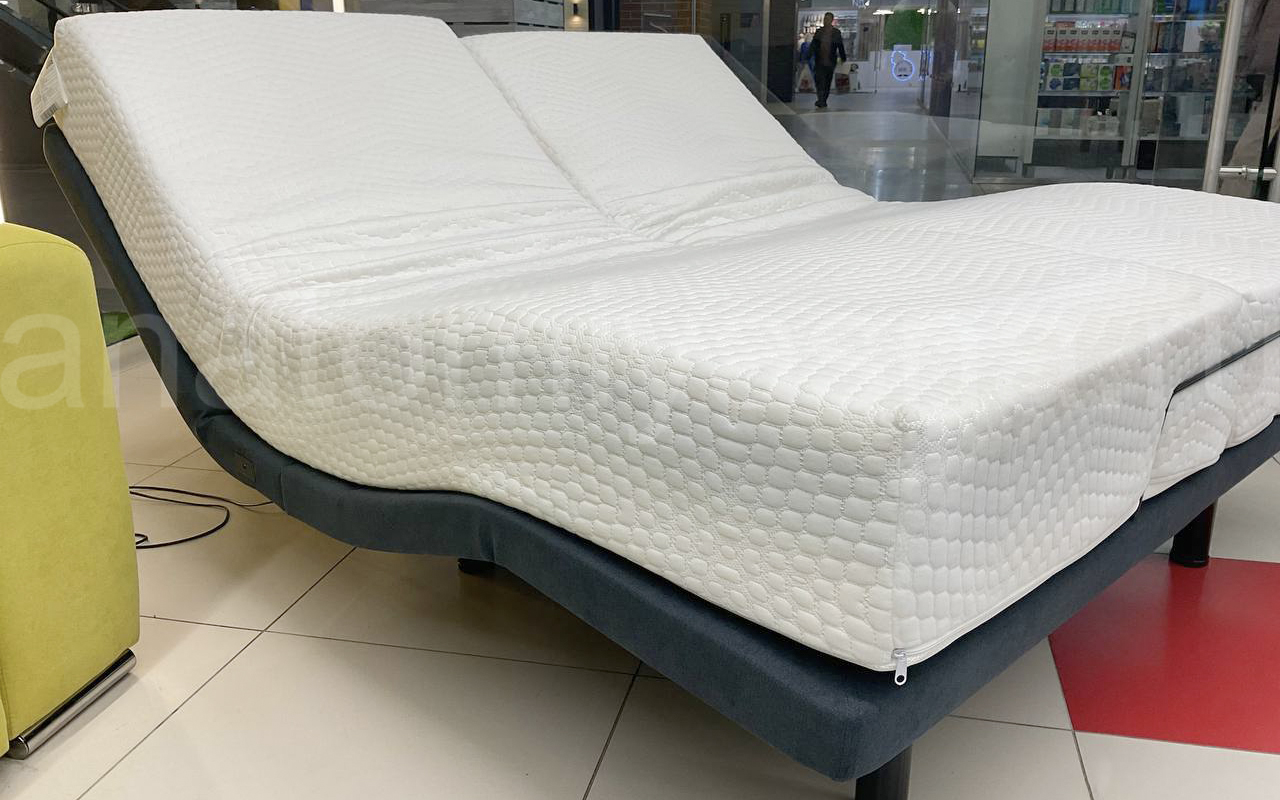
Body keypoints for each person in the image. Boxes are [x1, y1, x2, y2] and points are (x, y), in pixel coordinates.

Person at [810, 13, 846, 109]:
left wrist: (843, 57)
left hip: (830, 61)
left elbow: (840, 45)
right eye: (825, 19)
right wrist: (808, 55)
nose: (825, 21)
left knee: (827, 81)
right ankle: (821, 99)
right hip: (819, 60)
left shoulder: (836, 32)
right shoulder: (819, 32)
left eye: (828, 19)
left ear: (831, 20)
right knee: (819, 80)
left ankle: (823, 99)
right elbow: (814, 44)